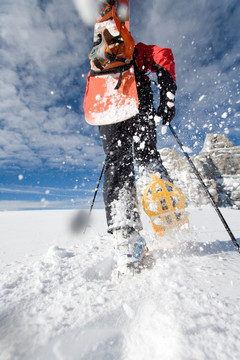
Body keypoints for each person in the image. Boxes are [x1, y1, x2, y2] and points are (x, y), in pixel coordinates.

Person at [97, 42, 177, 269]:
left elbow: (90, 100)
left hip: (107, 104)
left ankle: (126, 240)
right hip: (138, 95)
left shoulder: (97, 61)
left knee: (117, 161)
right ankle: (167, 211)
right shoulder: (133, 48)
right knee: (147, 155)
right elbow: (163, 55)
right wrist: (167, 96)